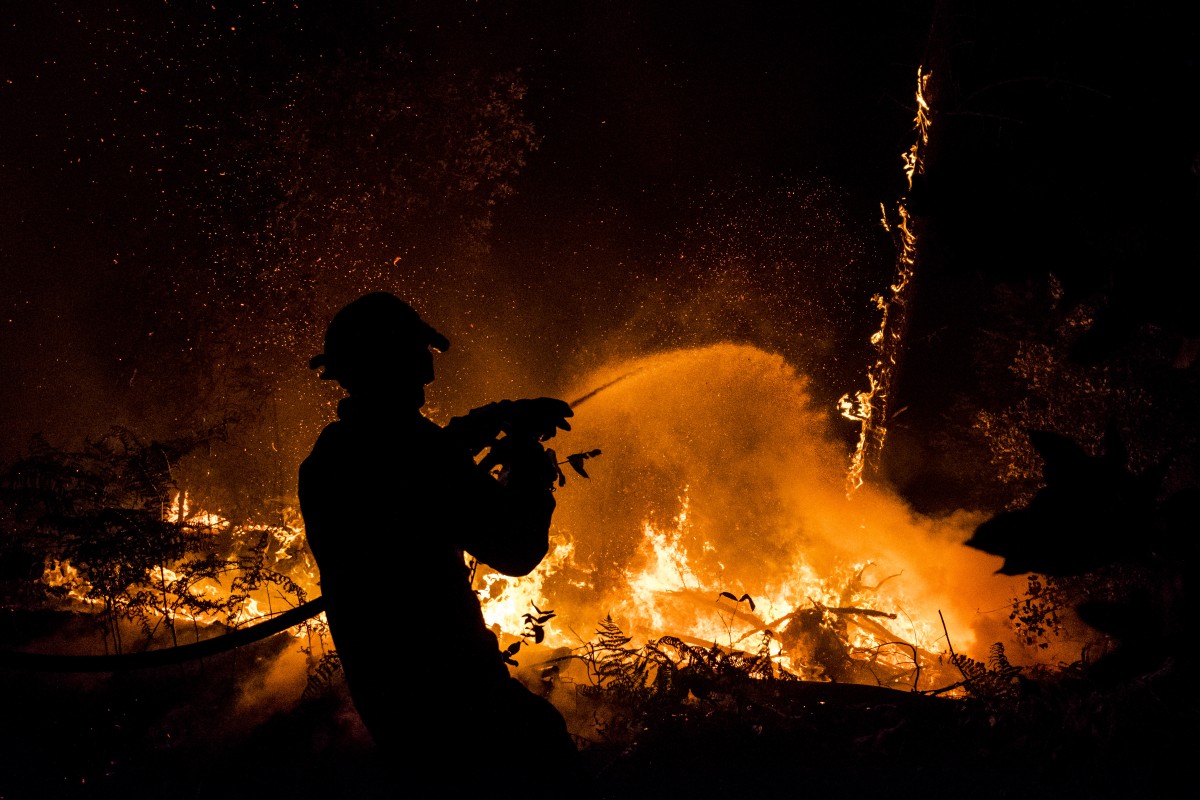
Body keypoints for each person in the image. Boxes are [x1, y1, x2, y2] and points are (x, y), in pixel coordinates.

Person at [298, 292, 582, 795]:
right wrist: (530, 473)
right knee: (541, 752)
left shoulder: (330, 458)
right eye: (417, 354)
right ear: (391, 363)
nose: (428, 373)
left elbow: (403, 461)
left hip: (385, 689)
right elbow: (516, 550)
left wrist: (496, 416)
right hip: (453, 686)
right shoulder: (421, 455)